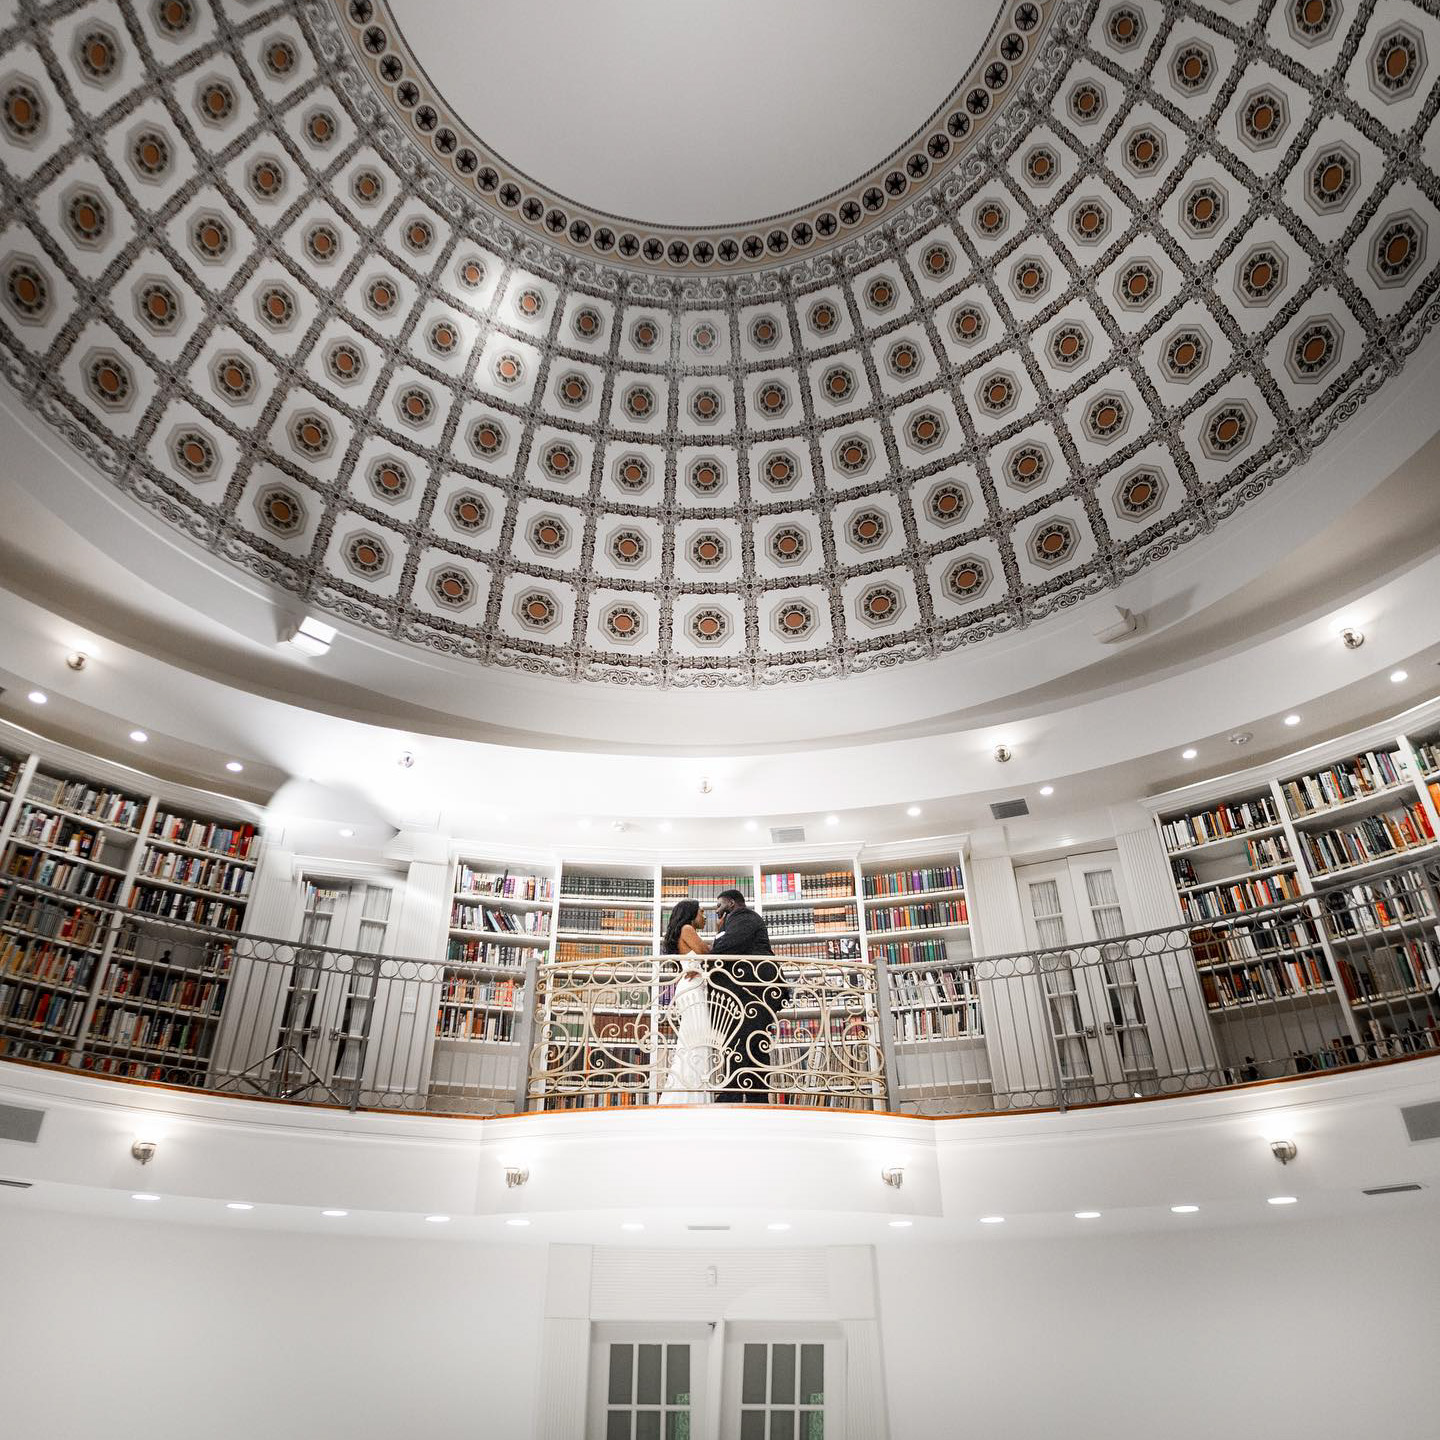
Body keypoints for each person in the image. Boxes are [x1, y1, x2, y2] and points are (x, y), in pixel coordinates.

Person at [708, 888, 789, 1103]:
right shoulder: (737, 919)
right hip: (753, 989)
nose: (717, 910)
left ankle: (732, 1093)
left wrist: (718, 935)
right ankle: (757, 1097)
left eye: (719, 905)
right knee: (753, 1041)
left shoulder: (743, 916)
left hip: (757, 987)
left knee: (742, 1038)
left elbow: (727, 947)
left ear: (732, 903)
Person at [658, 899, 717, 1104]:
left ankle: (690, 1092)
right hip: (693, 990)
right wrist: (720, 934)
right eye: (701, 912)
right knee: (696, 1041)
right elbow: (706, 953)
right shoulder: (687, 928)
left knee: (694, 1040)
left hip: (692, 986)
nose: (705, 916)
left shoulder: (683, 930)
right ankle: (690, 1095)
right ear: (691, 913)